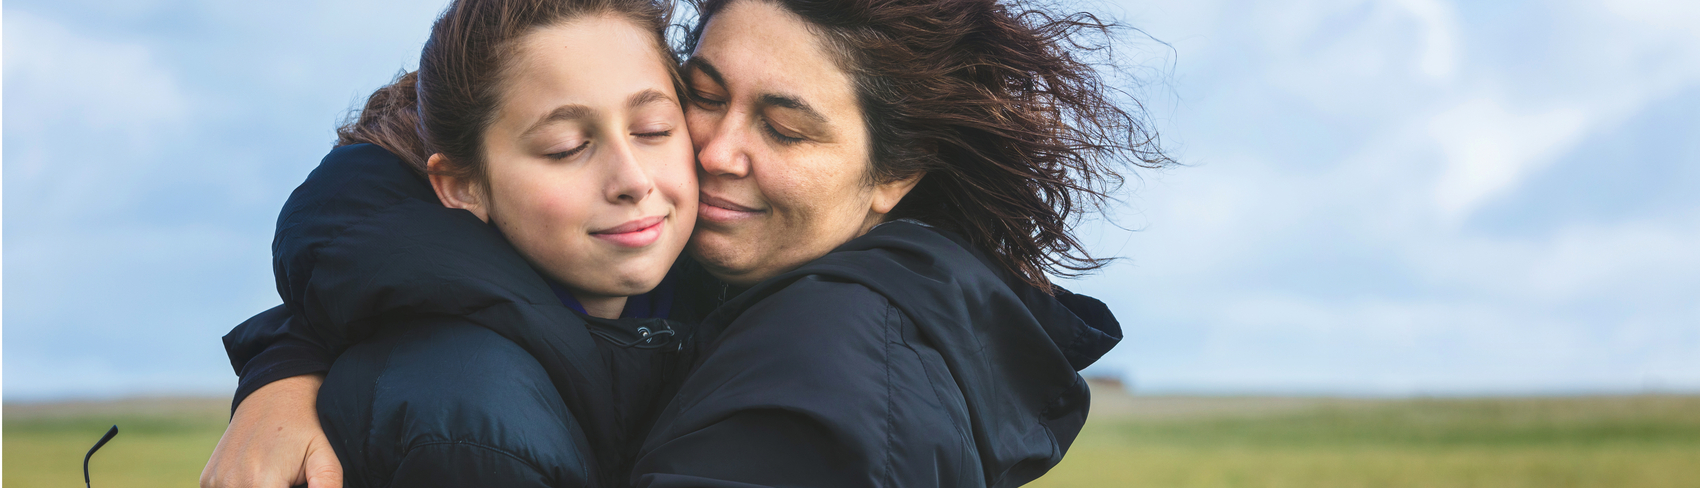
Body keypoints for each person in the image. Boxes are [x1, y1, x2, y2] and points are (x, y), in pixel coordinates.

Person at [205, 0, 1167, 485]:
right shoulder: (675, 265)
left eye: (786, 129)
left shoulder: (836, 370)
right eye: (699, 98)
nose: (713, 151)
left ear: (893, 180)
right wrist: (286, 373)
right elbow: (393, 177)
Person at [199, 0, 699, 486]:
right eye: (566, 148)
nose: (632, 179)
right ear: (464, 185)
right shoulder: (472, 430)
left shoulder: (710, 286)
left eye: (653, 130)